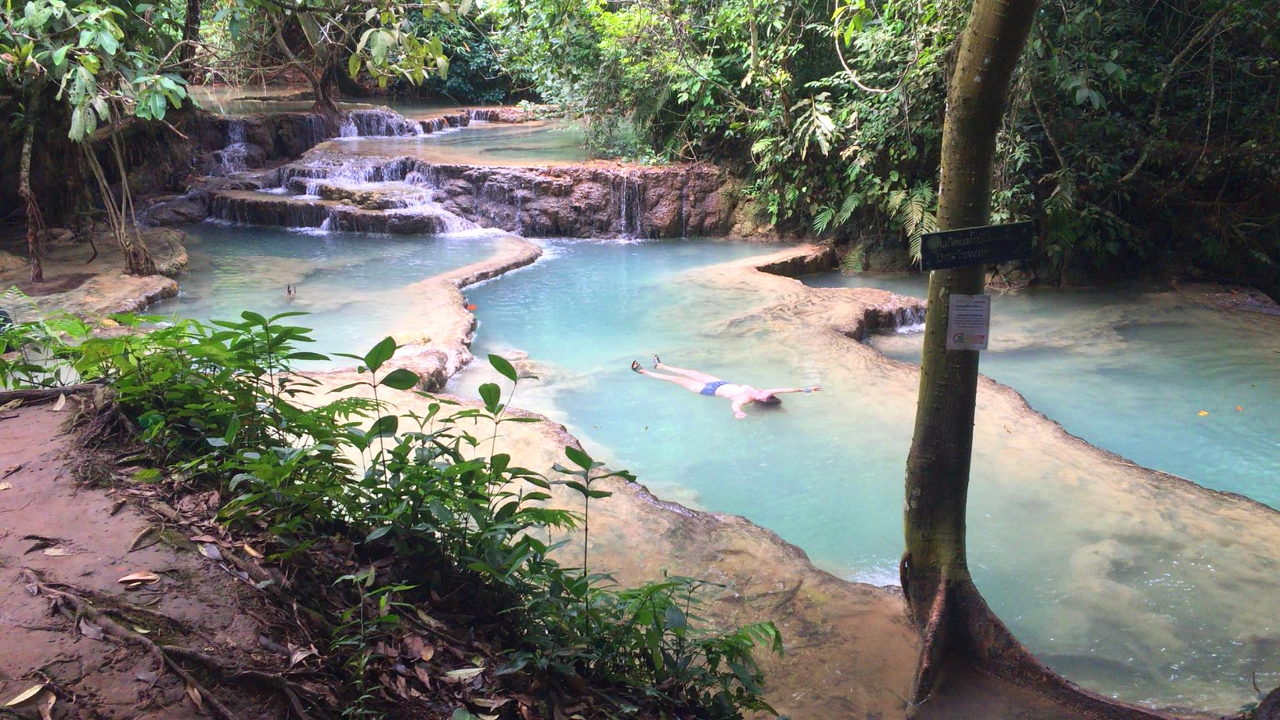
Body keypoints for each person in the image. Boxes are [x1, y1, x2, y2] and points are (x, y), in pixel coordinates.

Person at [631, 355, 820, 419]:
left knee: (675, 380)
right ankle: (660, 365)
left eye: (761, 394)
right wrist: (806, 389)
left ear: (760, 400)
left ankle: (643, 372)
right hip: (719, 383)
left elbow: (735, 405)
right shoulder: (763, 393)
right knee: (691, 371)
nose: (761, 390)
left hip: (708, 390)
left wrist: (737, 412)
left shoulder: (746, 398)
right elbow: (785, 389)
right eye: (763, 391)